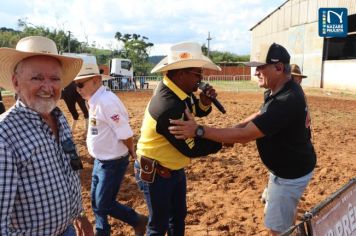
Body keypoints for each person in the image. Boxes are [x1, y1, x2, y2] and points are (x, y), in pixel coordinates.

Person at [169, 43, 317, 235]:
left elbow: (246, 136)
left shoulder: (286, 100)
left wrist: (198, 130)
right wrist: (235, 127)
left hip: (289, 174)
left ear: (279, 68)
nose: (255, 72)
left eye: (260, 68)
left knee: (276, 228)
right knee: (284, 214)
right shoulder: (282, 91)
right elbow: (260, 115)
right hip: (290, 166)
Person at [0, 35, 93, 235]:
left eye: (54, 78)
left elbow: (71, 172)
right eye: (37, 78)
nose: (48, 87)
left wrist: (80, 215)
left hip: (68, 229)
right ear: (16, 83)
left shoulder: (60, 119)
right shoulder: (4, 135)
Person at [135, 42, 223, 235]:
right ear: (181, 73)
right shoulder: (168, 106)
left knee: (178, 216)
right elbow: (190, 147)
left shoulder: (179, 92)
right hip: (158, 173)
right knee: (159, 226)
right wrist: (223, 139)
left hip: (172, 168)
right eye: (198, 74)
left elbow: (193, 111)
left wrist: (205, 103)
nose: (201, 79)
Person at [74, 62, 148, 236]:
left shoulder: (106, 102)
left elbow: (125, 132)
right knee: (96, 201)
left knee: (103, 203)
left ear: (96, 80)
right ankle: (102, 231)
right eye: (75, 85)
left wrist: (131, 152)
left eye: (80, 84)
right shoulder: (95, 100)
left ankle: (137, 220)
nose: (77, 89)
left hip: (113, 161)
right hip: (101, 160)